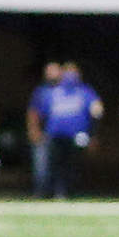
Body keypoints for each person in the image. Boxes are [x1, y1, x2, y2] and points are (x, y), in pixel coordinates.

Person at [42, 62, 102, 198]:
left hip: (77, 135)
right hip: (56, 135)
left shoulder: (85, 91)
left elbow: (97, 111)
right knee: (55, 165)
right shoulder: (53, 91)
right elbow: (42, 112)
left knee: (73, 165)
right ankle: (56, 192)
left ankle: (72, 192)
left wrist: (93, 134)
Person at [26, 63, 63, 199]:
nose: (51, 74)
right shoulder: (41, 91)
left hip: (62, 137)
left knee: (60, 166)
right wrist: (34, 130)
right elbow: (33, 112)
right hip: (44, 134)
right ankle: (40, 193)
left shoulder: (68, 91)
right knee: (41, 167)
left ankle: (60, 193)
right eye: (49, 71)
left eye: (54, 70)